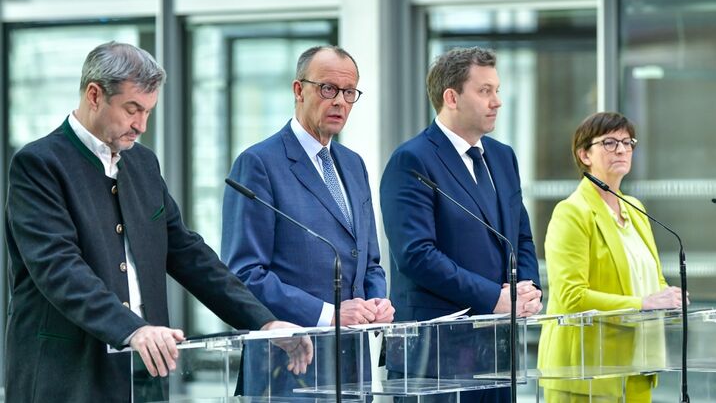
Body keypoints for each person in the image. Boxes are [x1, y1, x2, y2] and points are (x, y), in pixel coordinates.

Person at [4, 41, 311, 403]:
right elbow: (58, 268)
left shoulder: (143, 163)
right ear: (94, 95)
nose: (141, 125)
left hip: (143, 374)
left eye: (148, 111)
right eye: (132, 109)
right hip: (67, 376)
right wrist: (132, 330)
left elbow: (188, 254)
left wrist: (264, 321)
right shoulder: (39, 164)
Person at [221, 45, 393, 394]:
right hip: (288, 366)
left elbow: (369, 261)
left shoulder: (354, 164)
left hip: (352, 364)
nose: (340, 102)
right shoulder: (259, 164)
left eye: (349, 92)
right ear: (298, 90)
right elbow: (245, 273)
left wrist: (376, 303)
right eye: (328, 89)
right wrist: (329, 314)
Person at [380, 46, 542, 402]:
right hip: (435, 355)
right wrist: (495, 298)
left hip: (498, 349)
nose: (497, 101)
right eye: (485, 91)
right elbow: (416, 255)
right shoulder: (412, 160)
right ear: (451, 97)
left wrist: (527, 290)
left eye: (497, 90)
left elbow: (520, 237)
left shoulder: (503, 157)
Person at [537, 111, 687, 402]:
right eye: (609, 143)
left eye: (627, 142)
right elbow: (571, 296)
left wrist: (669, 297)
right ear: (584, 155)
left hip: (638, 368)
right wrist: (642, 304)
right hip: (586, 374)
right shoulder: (572, 212)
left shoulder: (635, 209)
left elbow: (651, 279)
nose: (621, 149)